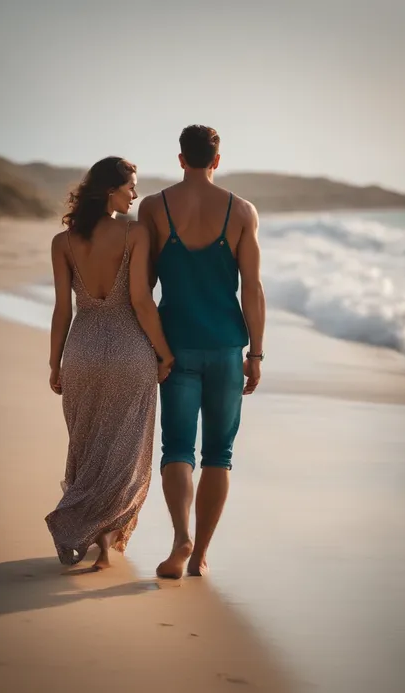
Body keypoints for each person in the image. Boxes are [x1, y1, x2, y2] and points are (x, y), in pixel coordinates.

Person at [138, 125, 266, 578]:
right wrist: (257, 353)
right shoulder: (241, 211)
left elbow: (143, 285)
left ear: (180, 159)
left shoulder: (154, 207)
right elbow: (251, 288)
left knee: (176, 448)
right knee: (219, 453)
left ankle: (180, 539)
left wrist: (147, 344)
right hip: (228, 346)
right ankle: (200, 556)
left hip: (173, 346)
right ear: (217, 159)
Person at [45, 156, 174, 570]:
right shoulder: (133, 234)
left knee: (87, 447)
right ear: (109, 191)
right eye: (131, 186)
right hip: (128, 351)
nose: (135, 194)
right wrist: (165, 352)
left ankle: (84, 533)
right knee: (123, 453)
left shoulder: (63, 242)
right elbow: (140, 301)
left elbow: (62, 308)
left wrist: (55, 363)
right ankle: (99, 545)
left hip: (81, 352)